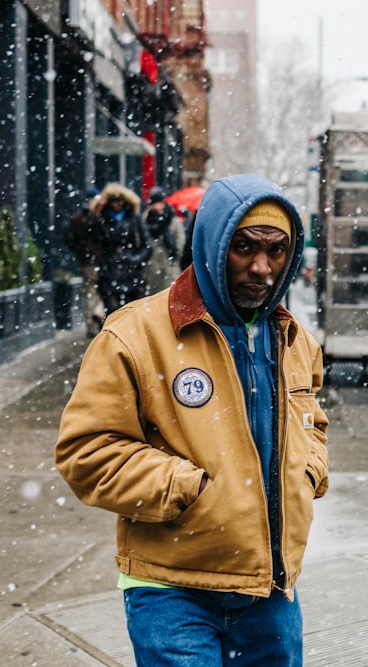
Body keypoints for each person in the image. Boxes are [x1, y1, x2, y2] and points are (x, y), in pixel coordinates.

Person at [54, 173, 329, 666]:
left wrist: (307, 472)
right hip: (170, 586)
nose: (262, 268)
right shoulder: (133, 335)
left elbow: (312, 423)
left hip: (270, 586)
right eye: (243, 247)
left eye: (277, 250)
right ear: (212, 242)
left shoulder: (295, 340)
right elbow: (86, 452)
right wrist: (190, 488)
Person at [93, 183, 151, 313]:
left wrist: (137, 260)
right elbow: (94, 240)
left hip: (131, 272)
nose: (116, 204)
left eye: (119, 201)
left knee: (132, 312)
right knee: (112, 313)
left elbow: (147, 244)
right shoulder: (102, 219)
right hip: (109, 272)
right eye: (113, 201)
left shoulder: (134, 219)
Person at [63, 187, 105, 336]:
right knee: (96, 291)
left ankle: (92, 324)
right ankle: (96, 316)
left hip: (89, 261)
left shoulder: (78, 218)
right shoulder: (94, 217)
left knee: (90, 292)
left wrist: (81, 251)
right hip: (96, 260)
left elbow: (69, 240)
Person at [141, 186, 185, 293]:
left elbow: (180, 242)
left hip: (169, 266)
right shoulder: (146, 220)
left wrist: (175, 255)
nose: (157, 206)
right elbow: (143, 241)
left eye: (160, 202)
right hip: (152, 268)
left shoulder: (173, 220)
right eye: (155, 203)